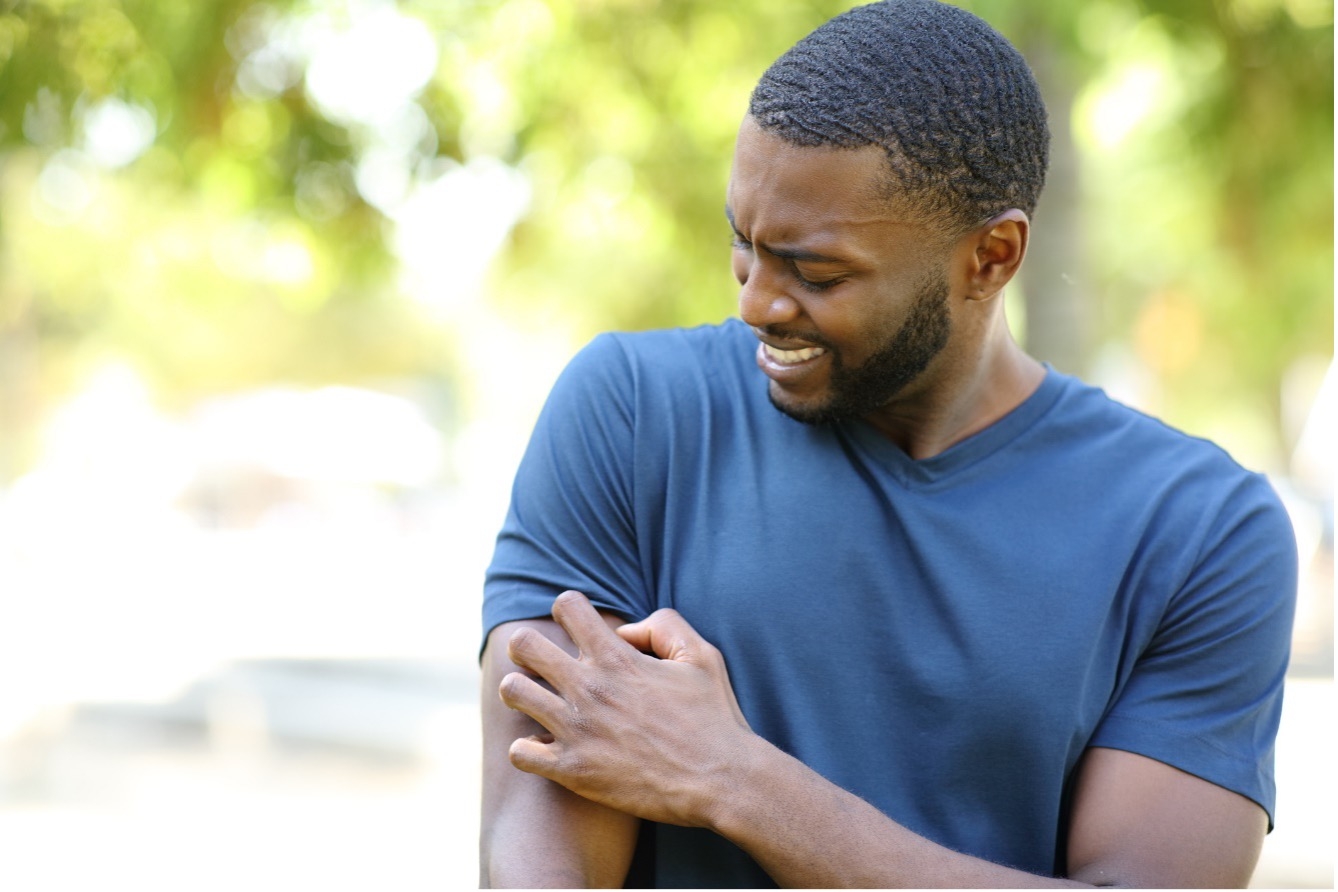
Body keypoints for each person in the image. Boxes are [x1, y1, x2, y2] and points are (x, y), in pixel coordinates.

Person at [479, 0, 1298, 887]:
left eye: (816, 271)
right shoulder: (634, 415)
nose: (756, 302)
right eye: (743, 243)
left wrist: (739, 781)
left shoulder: (1200, 531)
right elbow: (541, 849)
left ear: (991, 256)